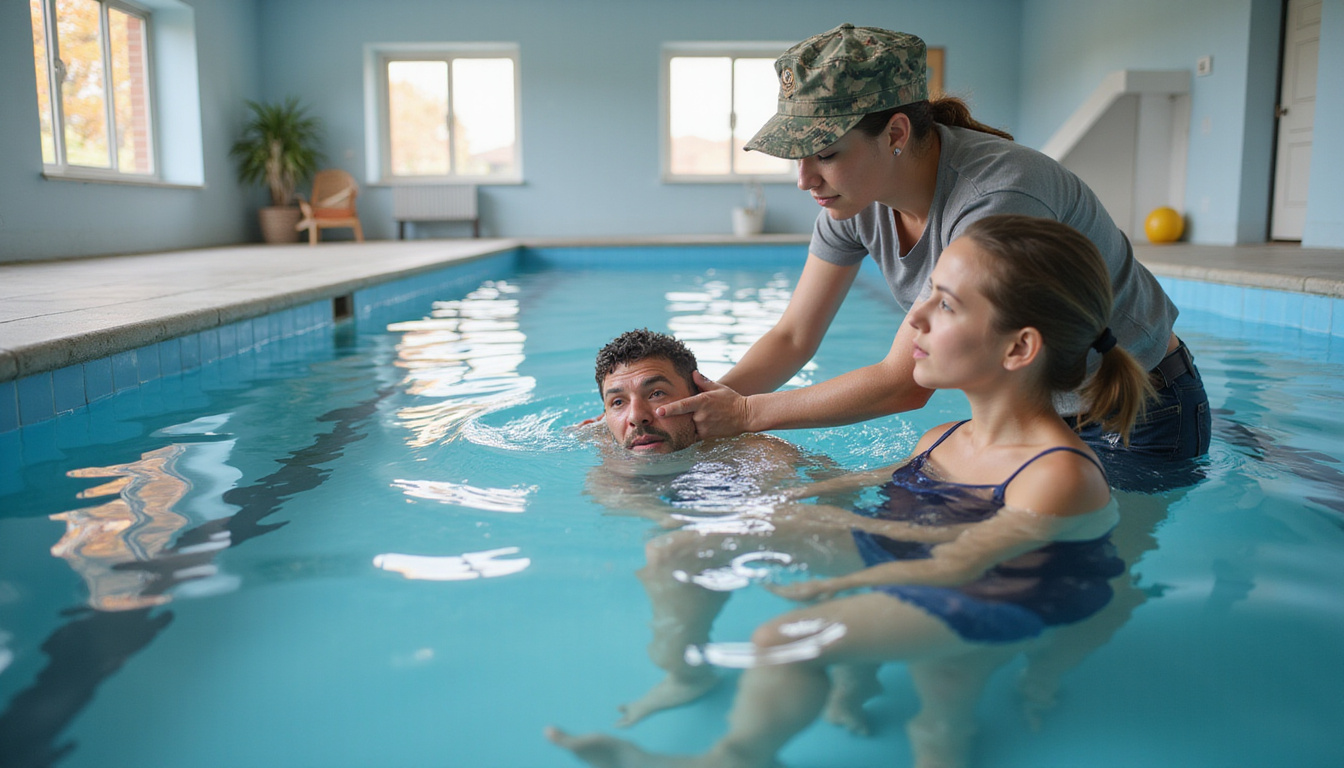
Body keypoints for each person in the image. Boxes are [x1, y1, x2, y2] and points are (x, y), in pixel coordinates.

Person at [547, 214, 1154, 768]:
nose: (913, 318)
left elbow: (962, 562)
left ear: (1018, 347)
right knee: (683, 550)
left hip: (995, 592)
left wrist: (838, 585)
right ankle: (689, 676)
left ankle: (735, 757)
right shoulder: (943, 436)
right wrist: (780, 512)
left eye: (944, 305)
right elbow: (877, 488)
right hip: (920, 557)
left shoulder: (1057, 474)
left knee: (786, 638)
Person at [659, 23, 1210, 490]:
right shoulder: (856, 200)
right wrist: (691, 413)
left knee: (1090, 584)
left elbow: (907, 382)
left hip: (1134, 409)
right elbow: (793, 337)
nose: (804, 180)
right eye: (797, 158)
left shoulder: (996, 199)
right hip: (1027, 413)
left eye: (825, 153)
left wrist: (747, 416)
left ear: (895, 132)